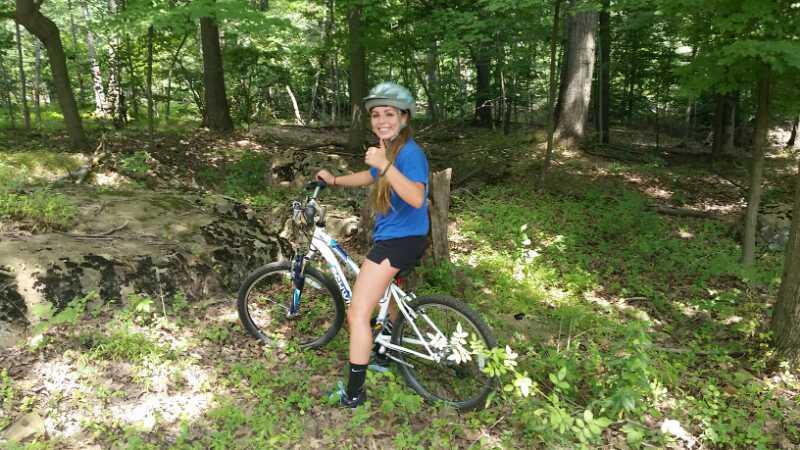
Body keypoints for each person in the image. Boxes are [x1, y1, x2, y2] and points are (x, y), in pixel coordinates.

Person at [315, 82, 429, 408]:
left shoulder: (409, 153)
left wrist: (385, 165)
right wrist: (335, 180)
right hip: (402, 239)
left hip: (398, 242)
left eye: (389, 114)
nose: (381, 120)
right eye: (376, 115)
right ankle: (385, 350)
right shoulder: (390, 151)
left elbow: (417, 196)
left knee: (358, 314)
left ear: (404, 118)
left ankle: (354, 393)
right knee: (388, 295)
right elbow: (371, 177)